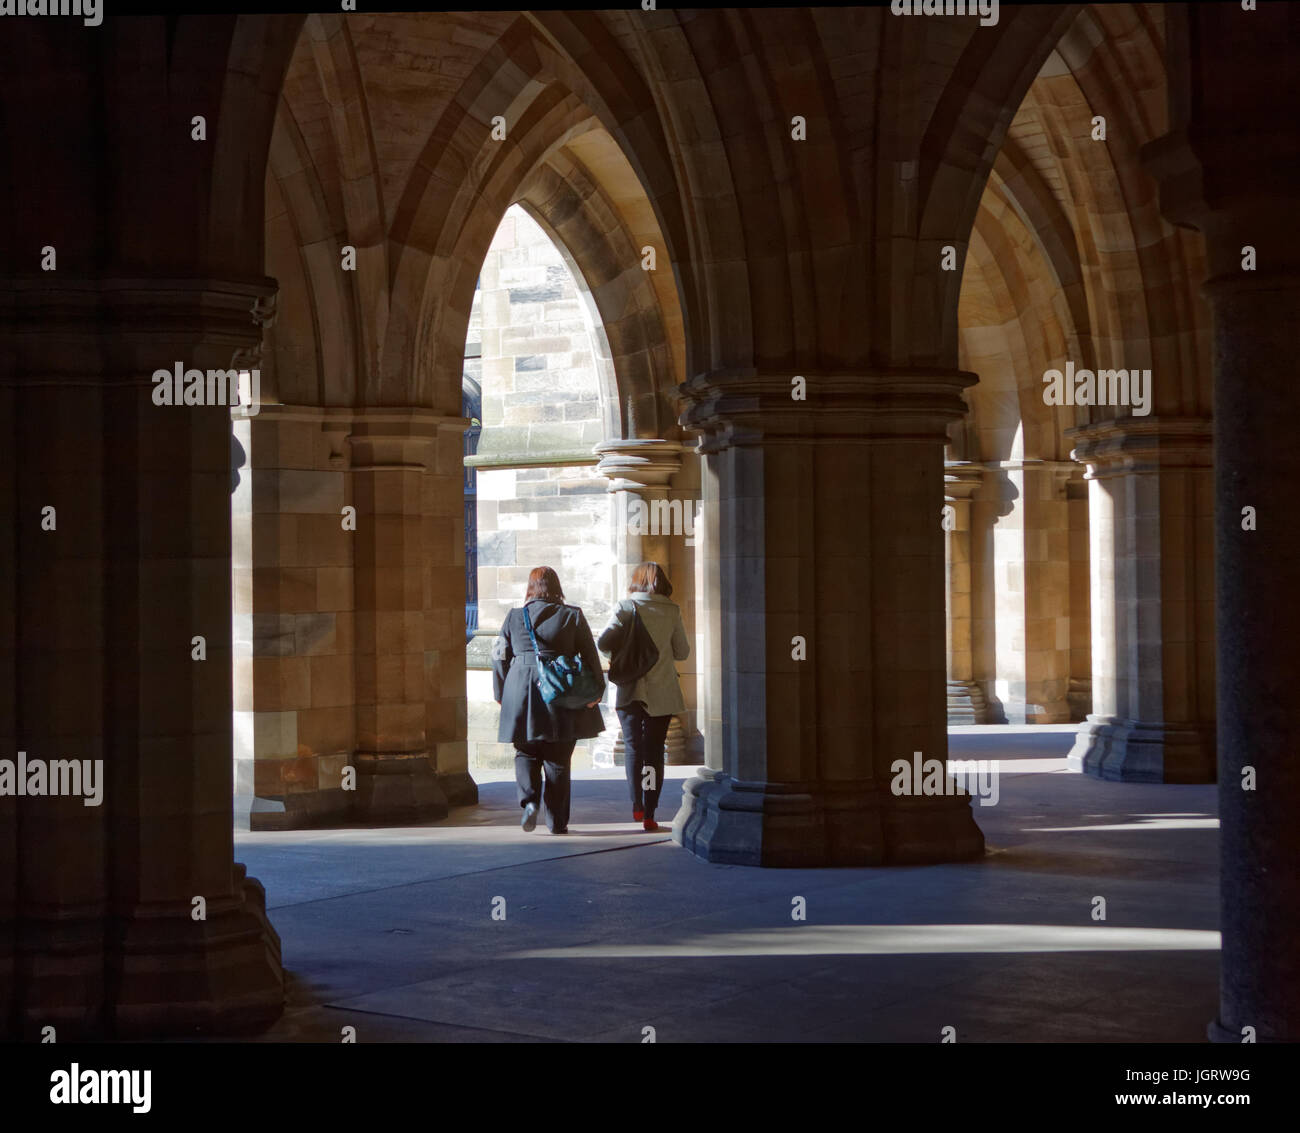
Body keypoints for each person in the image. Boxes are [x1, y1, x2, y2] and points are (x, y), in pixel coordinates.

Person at [493, 566, 605, 835]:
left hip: (520, 691)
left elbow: (498, 657)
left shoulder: (514, 617)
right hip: (560, 692)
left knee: (525, 751)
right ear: (557, 587)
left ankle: (529, 802)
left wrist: (501, 695)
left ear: (530, 588)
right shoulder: (572, 615)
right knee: (558, 758)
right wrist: (596, 692)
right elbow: (591, 657)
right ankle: (557, 822)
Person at [598, 562, 689, 832]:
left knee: (633, 748)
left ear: (636, 581)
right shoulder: (672, 610)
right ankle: (650, 812)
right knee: (654, 753)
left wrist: (623, 652)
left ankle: (636, 804)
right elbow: (682, 652)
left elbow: (603, 642)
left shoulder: (626, 607)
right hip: (662, 692)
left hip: (630, 690)